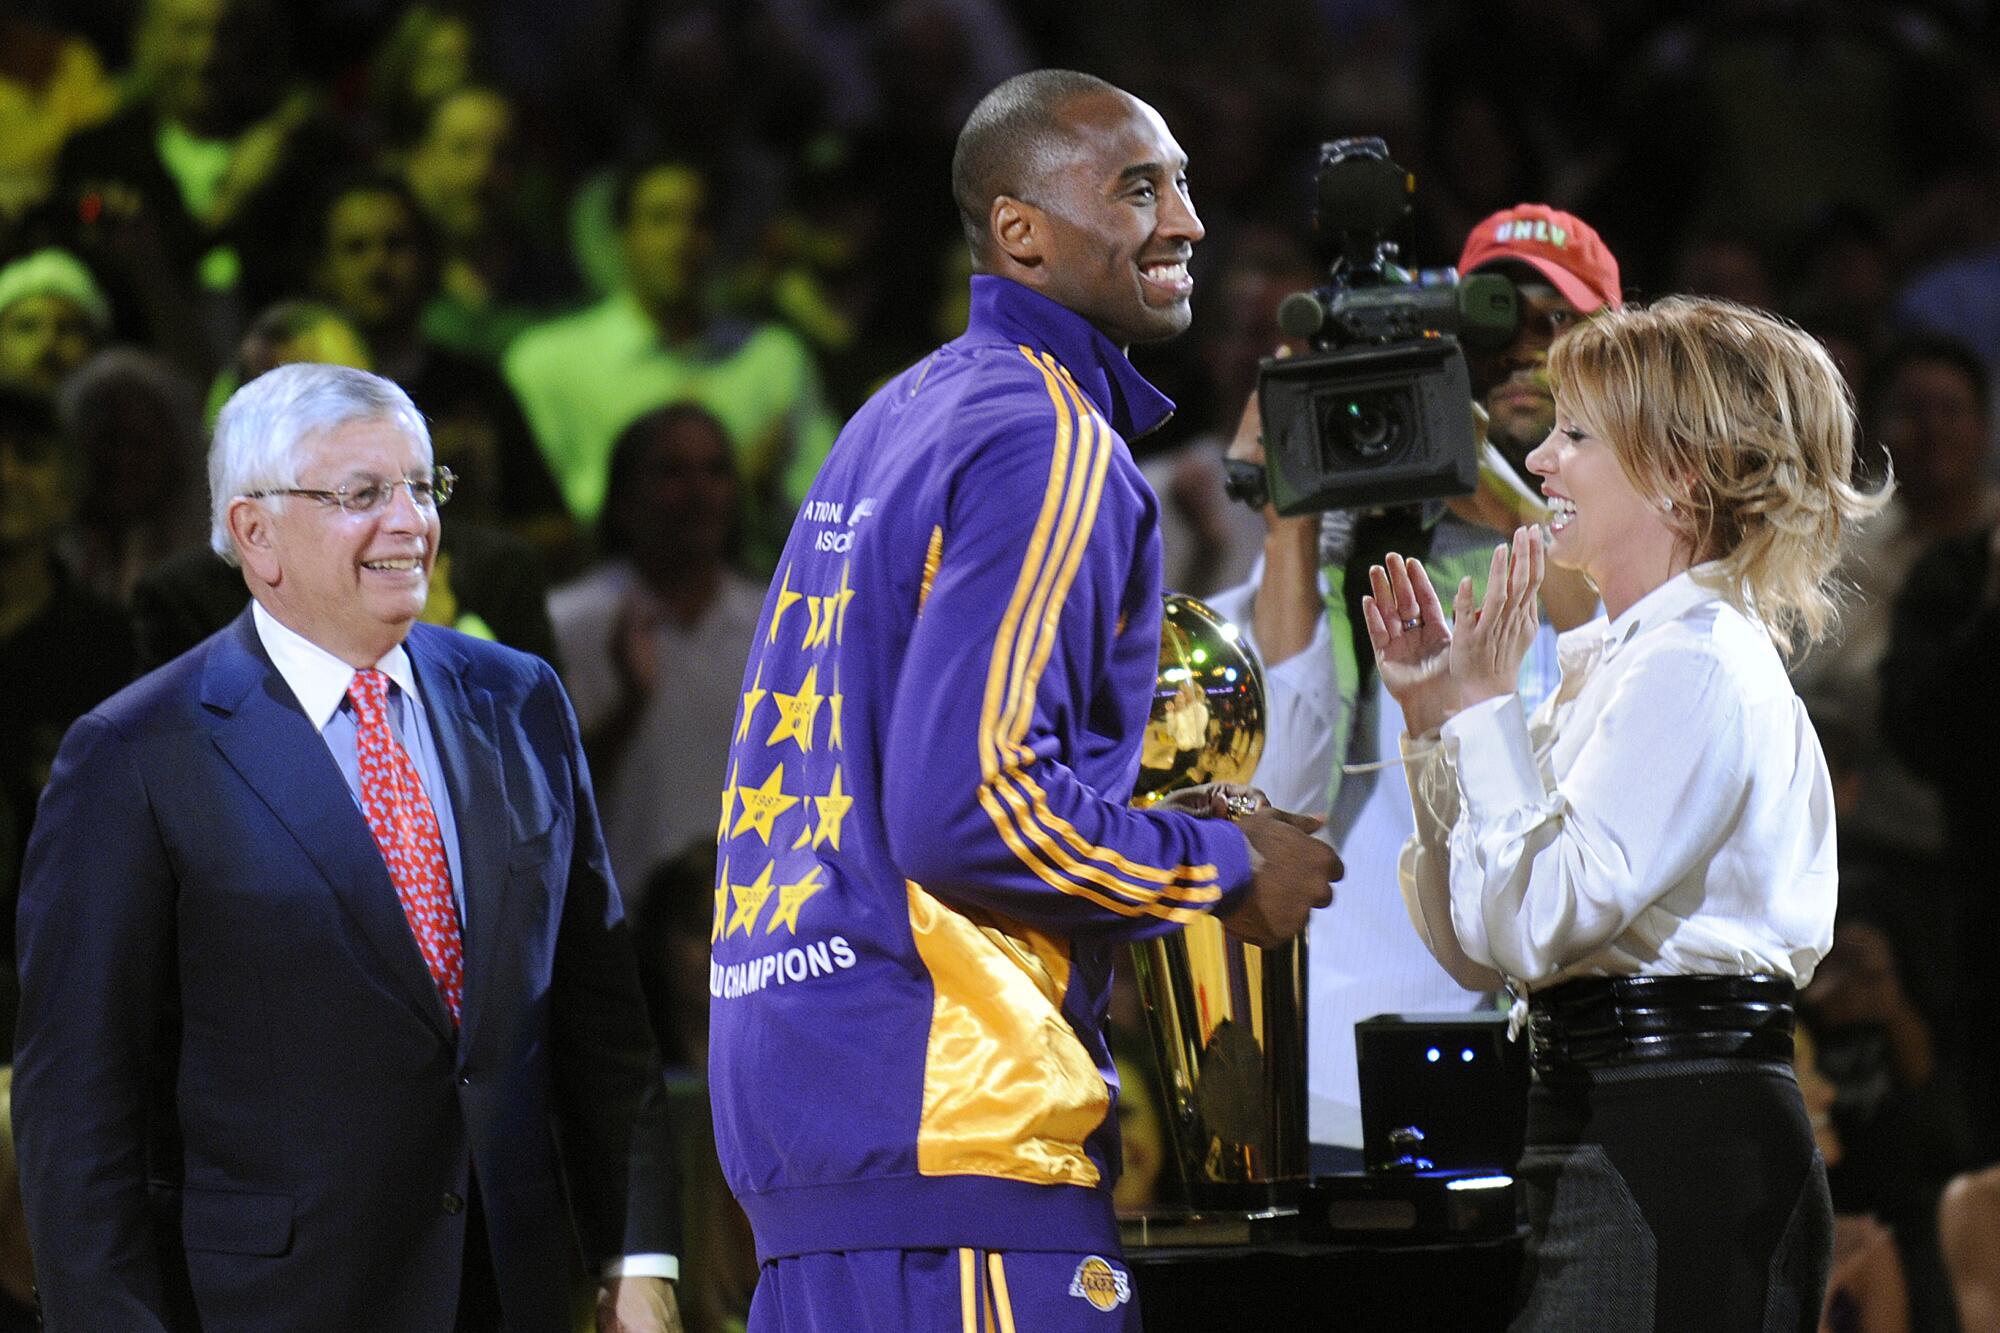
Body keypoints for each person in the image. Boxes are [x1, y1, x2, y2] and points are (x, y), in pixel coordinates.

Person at [708, 70, 1338, 1331]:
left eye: (1182, 180)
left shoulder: (895, 417)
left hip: (820, 1137)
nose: (1187, 220)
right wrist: (1218, 863)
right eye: (1137, 185)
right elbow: (967, 807)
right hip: (960, 1142)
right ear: (1019, 232)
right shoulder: (1046, 434)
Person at [13, 363, 681, 1331]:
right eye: (363, 494)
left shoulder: (520, 698)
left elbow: (601, 1023)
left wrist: (639, 1257)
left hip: (510, 1295)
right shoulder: (133, 754)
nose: (411, 522)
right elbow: (80, 1107)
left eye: (422, 486)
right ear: (255, 534)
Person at [1367, 296, 1882, 1328]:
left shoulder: (1692, 663)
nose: (1541, 463)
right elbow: (1480, 951)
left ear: (1676, 471)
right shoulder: (1618, 662)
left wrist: (1483, 712)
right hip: (1605, 1123)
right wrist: (1436, 728)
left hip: (1676, 1136)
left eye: (1574, 434)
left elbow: (1529, 918)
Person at [1222, 202, 1620, 1164]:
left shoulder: (1643, 547)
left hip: (1580, 1071)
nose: (1527, 347)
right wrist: (1292, 513)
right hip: (1348, 1067)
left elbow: (1621, 671)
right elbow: (1278, 793)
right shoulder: (1349, 549)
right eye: (1500, 321)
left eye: (1560, 324)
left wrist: (1496, 491)